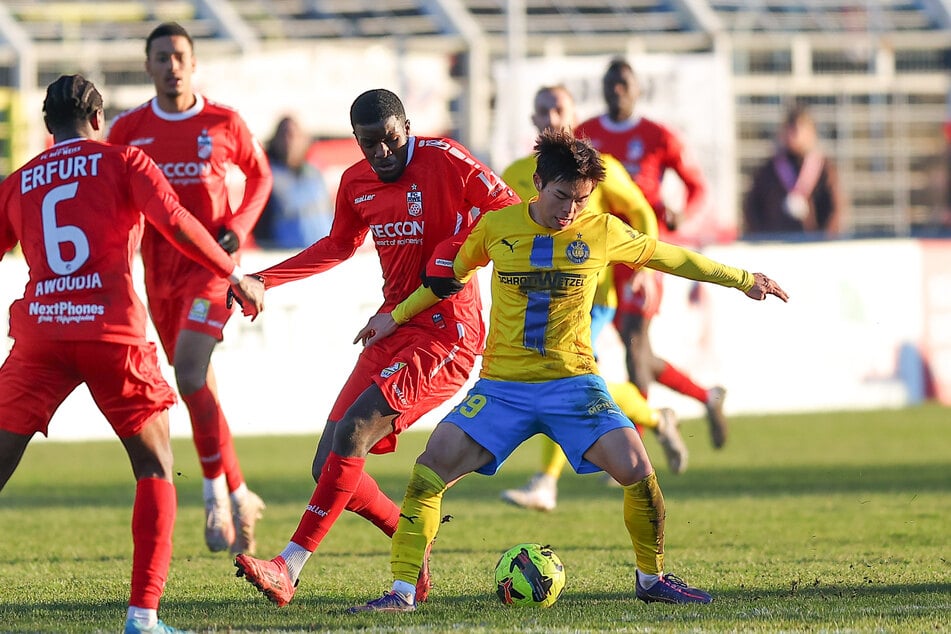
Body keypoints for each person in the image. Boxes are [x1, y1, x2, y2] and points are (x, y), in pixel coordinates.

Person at [346, 129, 788, 613]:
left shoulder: (601, 230)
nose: (570, 211)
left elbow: (673, 257)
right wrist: (394, 316)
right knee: (429, 470)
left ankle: (651, 578)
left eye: (580, 200)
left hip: (575, 386)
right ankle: (402, 593)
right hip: (503, 389)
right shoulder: (497, 228)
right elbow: (446, 282)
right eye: (561, 197)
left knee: (639, 470)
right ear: (537, 183)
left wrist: (745, 280)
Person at [232, 88, 520, 607]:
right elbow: (339, 245)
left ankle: (287, 567)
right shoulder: (355, 182)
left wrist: (458, 251)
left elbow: (509, 210)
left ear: (406, 127)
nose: (382, 154)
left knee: (356, 429)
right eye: (370, 145)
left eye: (390, 141)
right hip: (391, 328)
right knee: (328, 464)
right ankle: (414, 547)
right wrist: (264, 279)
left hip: (447, 335)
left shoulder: (446, 159)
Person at [0, 74, 264, 634]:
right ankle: (143, 617)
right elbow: (177, 224)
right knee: (154, 466)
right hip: (111, 332)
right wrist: (234, 274)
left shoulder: (18, 182)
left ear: (47, 127)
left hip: (42, 334)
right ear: (98, 119)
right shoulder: (125, 161)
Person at [107, 22, 273, 555]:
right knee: (198, 387)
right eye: (161, 56)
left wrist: (239, 228)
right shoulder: (130, 128)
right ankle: (242, 492)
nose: (172, 64)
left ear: (193, 62)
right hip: (159, 271)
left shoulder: (222, 121)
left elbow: (261, 176)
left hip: (213, 268)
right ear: (149, 65)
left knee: (189, 369)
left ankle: (213, 497)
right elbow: (112, 193)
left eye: (179, 54)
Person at [499, 85, 687, 513]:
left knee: (560, 380)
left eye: (558, 108)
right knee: (581, 385)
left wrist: (640, 266)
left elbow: (640, 210)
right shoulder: (513, 172)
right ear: (532, 120)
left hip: (591, 297)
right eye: (542, 108)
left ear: (575, 115)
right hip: (536, 301)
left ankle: (546, 482)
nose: (550, 115)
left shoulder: (601, 168)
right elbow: (500, 223)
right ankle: (658, 418)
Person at [576, 57, 728, 451]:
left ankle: (635, 444)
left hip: (644, 252)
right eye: (611, 83)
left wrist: (681, 215)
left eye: (625, 83)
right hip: (602, 255)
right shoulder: (586, 133)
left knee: (635, 340)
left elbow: (697, 187)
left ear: (638, 89)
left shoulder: (658, 136)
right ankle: (706, 397)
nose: (618, 90)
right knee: (636, 348)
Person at [743, 105, 844, 237]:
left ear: (811, 133)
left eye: (800, 130)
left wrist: (824, 237)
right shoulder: (769, 169)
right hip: (775, 243)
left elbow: (835, 208)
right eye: (791, 130)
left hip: (813, 242)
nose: (795, 136)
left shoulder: (824, 169)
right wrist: (762, 235)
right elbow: (752, 207)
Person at [254, 115, 334, 248]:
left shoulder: (316, 173)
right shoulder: (266, 176)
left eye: (293, 135)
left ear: (305, 140)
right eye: (283, 135)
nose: (289, 141)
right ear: (274, 141)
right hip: (285, 255)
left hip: (324, 255)